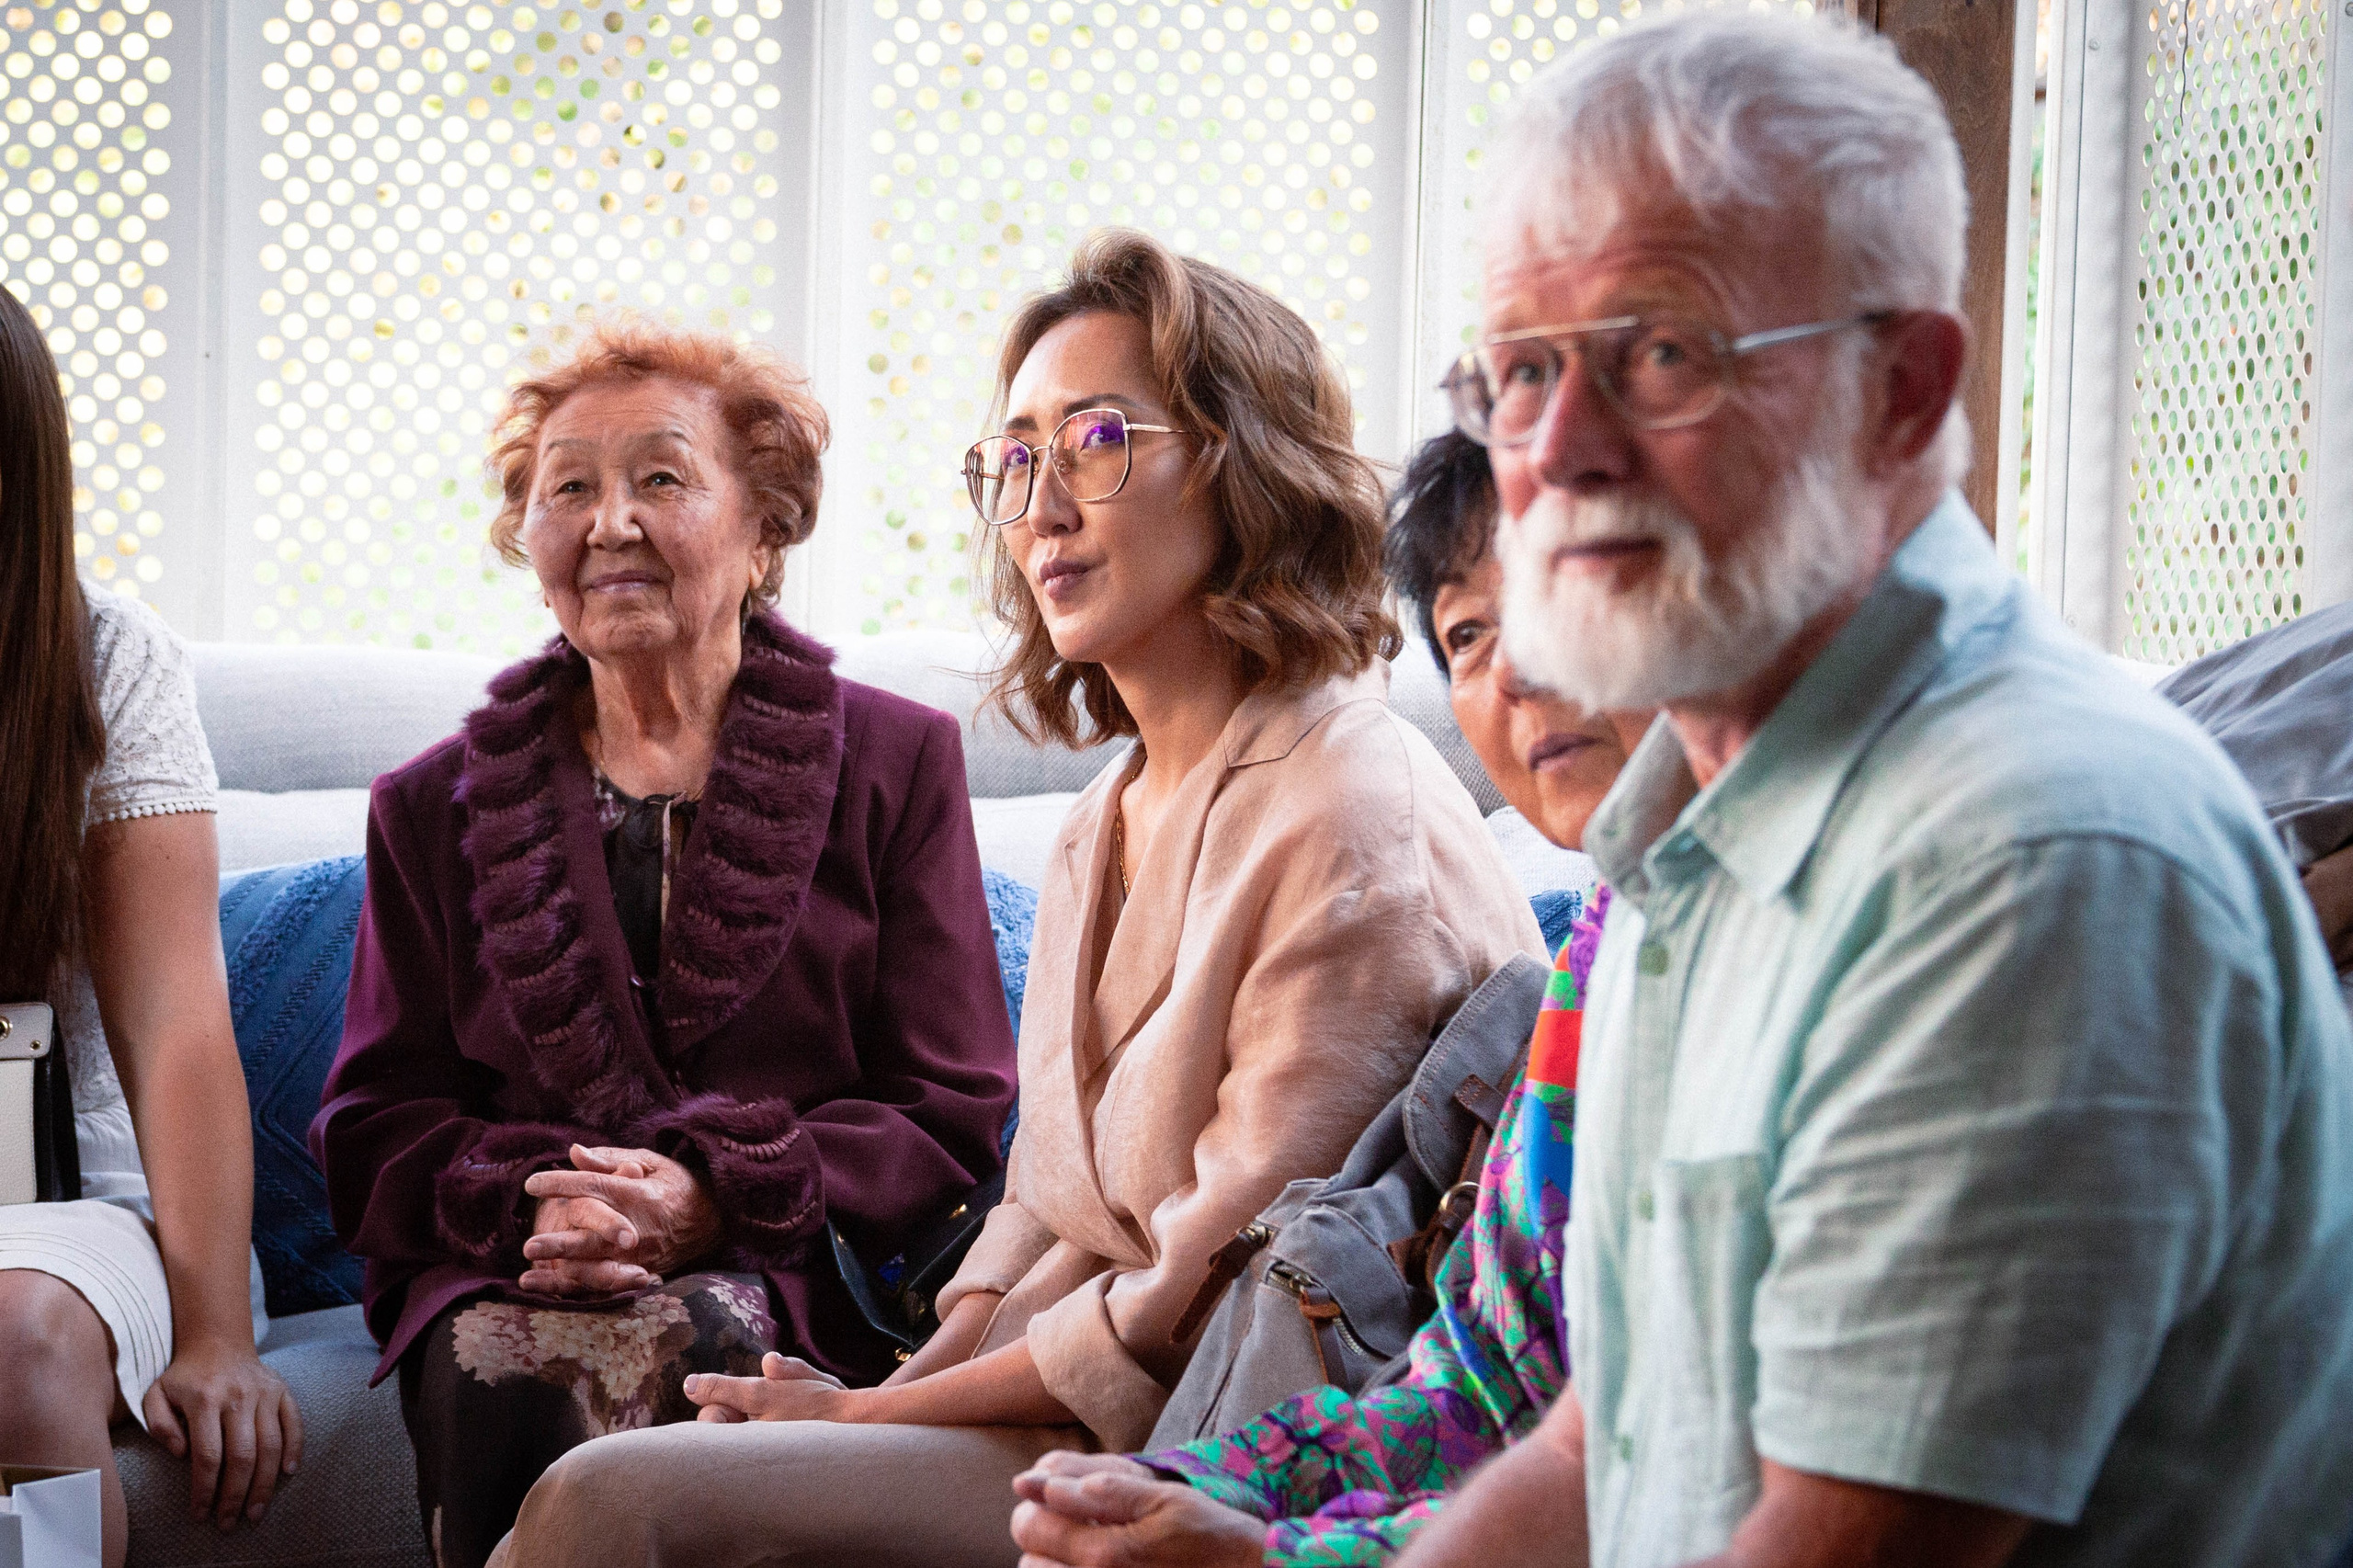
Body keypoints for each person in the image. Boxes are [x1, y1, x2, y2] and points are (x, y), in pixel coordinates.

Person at [1391, 14, 2353, 1568]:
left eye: (1659, 353)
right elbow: (1595, 1455)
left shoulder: (2027, 857)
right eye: (1516, 370)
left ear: (1905, 386)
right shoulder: (1693, 833)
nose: (1557, 448)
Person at [488, 231, 1544, 1568]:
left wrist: (881, 1411)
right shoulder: (1107, 812)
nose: (1042, 502)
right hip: (1084, 1411)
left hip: (1227, 1451)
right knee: (603, 1490)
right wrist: (896, 1391)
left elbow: (1199, 1286)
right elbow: (1046, 1206)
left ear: (1241, 460)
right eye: (1017, 457)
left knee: (609, 1500)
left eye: (1098, 438)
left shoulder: (1351, 804)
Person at [309, 320, 1017, 1568]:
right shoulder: (424, 807)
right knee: (508, 1367)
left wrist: (713, 1195)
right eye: (566, 487)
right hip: (512, 1274)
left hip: (796, 1264)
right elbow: (376, 1122)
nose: (609, 521)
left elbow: (949, 1100)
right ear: (531, 548)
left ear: (766, 532)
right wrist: (548, 1203)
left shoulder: (899, 763)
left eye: (661, 478)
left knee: (715, 1350)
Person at [1004, 428, 1651, 1567]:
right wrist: (1179, 1484)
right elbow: (1477, 1387)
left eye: (1565, 597)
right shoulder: (1611, 946)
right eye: (1469, 634)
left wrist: (1270, 1553)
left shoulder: (1357, 800)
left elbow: (1658, 1480)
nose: (1513, 674)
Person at [0, 290, 299, 1562]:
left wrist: (218, 1331)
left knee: (15, 1341)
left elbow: (175, 1021)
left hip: (61, 1206)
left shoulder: (104, 656)